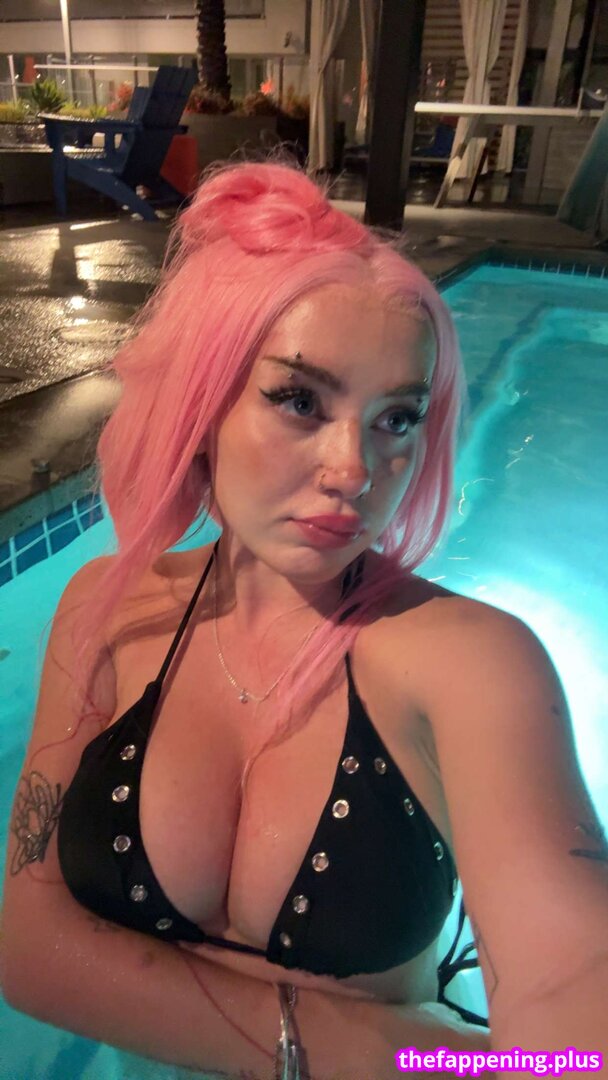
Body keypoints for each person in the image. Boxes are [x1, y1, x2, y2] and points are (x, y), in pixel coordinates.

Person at [2, 157, 606, 1080]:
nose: (354, 470)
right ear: (203, 400)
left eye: (397, 418)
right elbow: (28, 943)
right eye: (299, 400)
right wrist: (362, 1045)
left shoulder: (473, 664)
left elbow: (573, 993)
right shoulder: (109, 611)